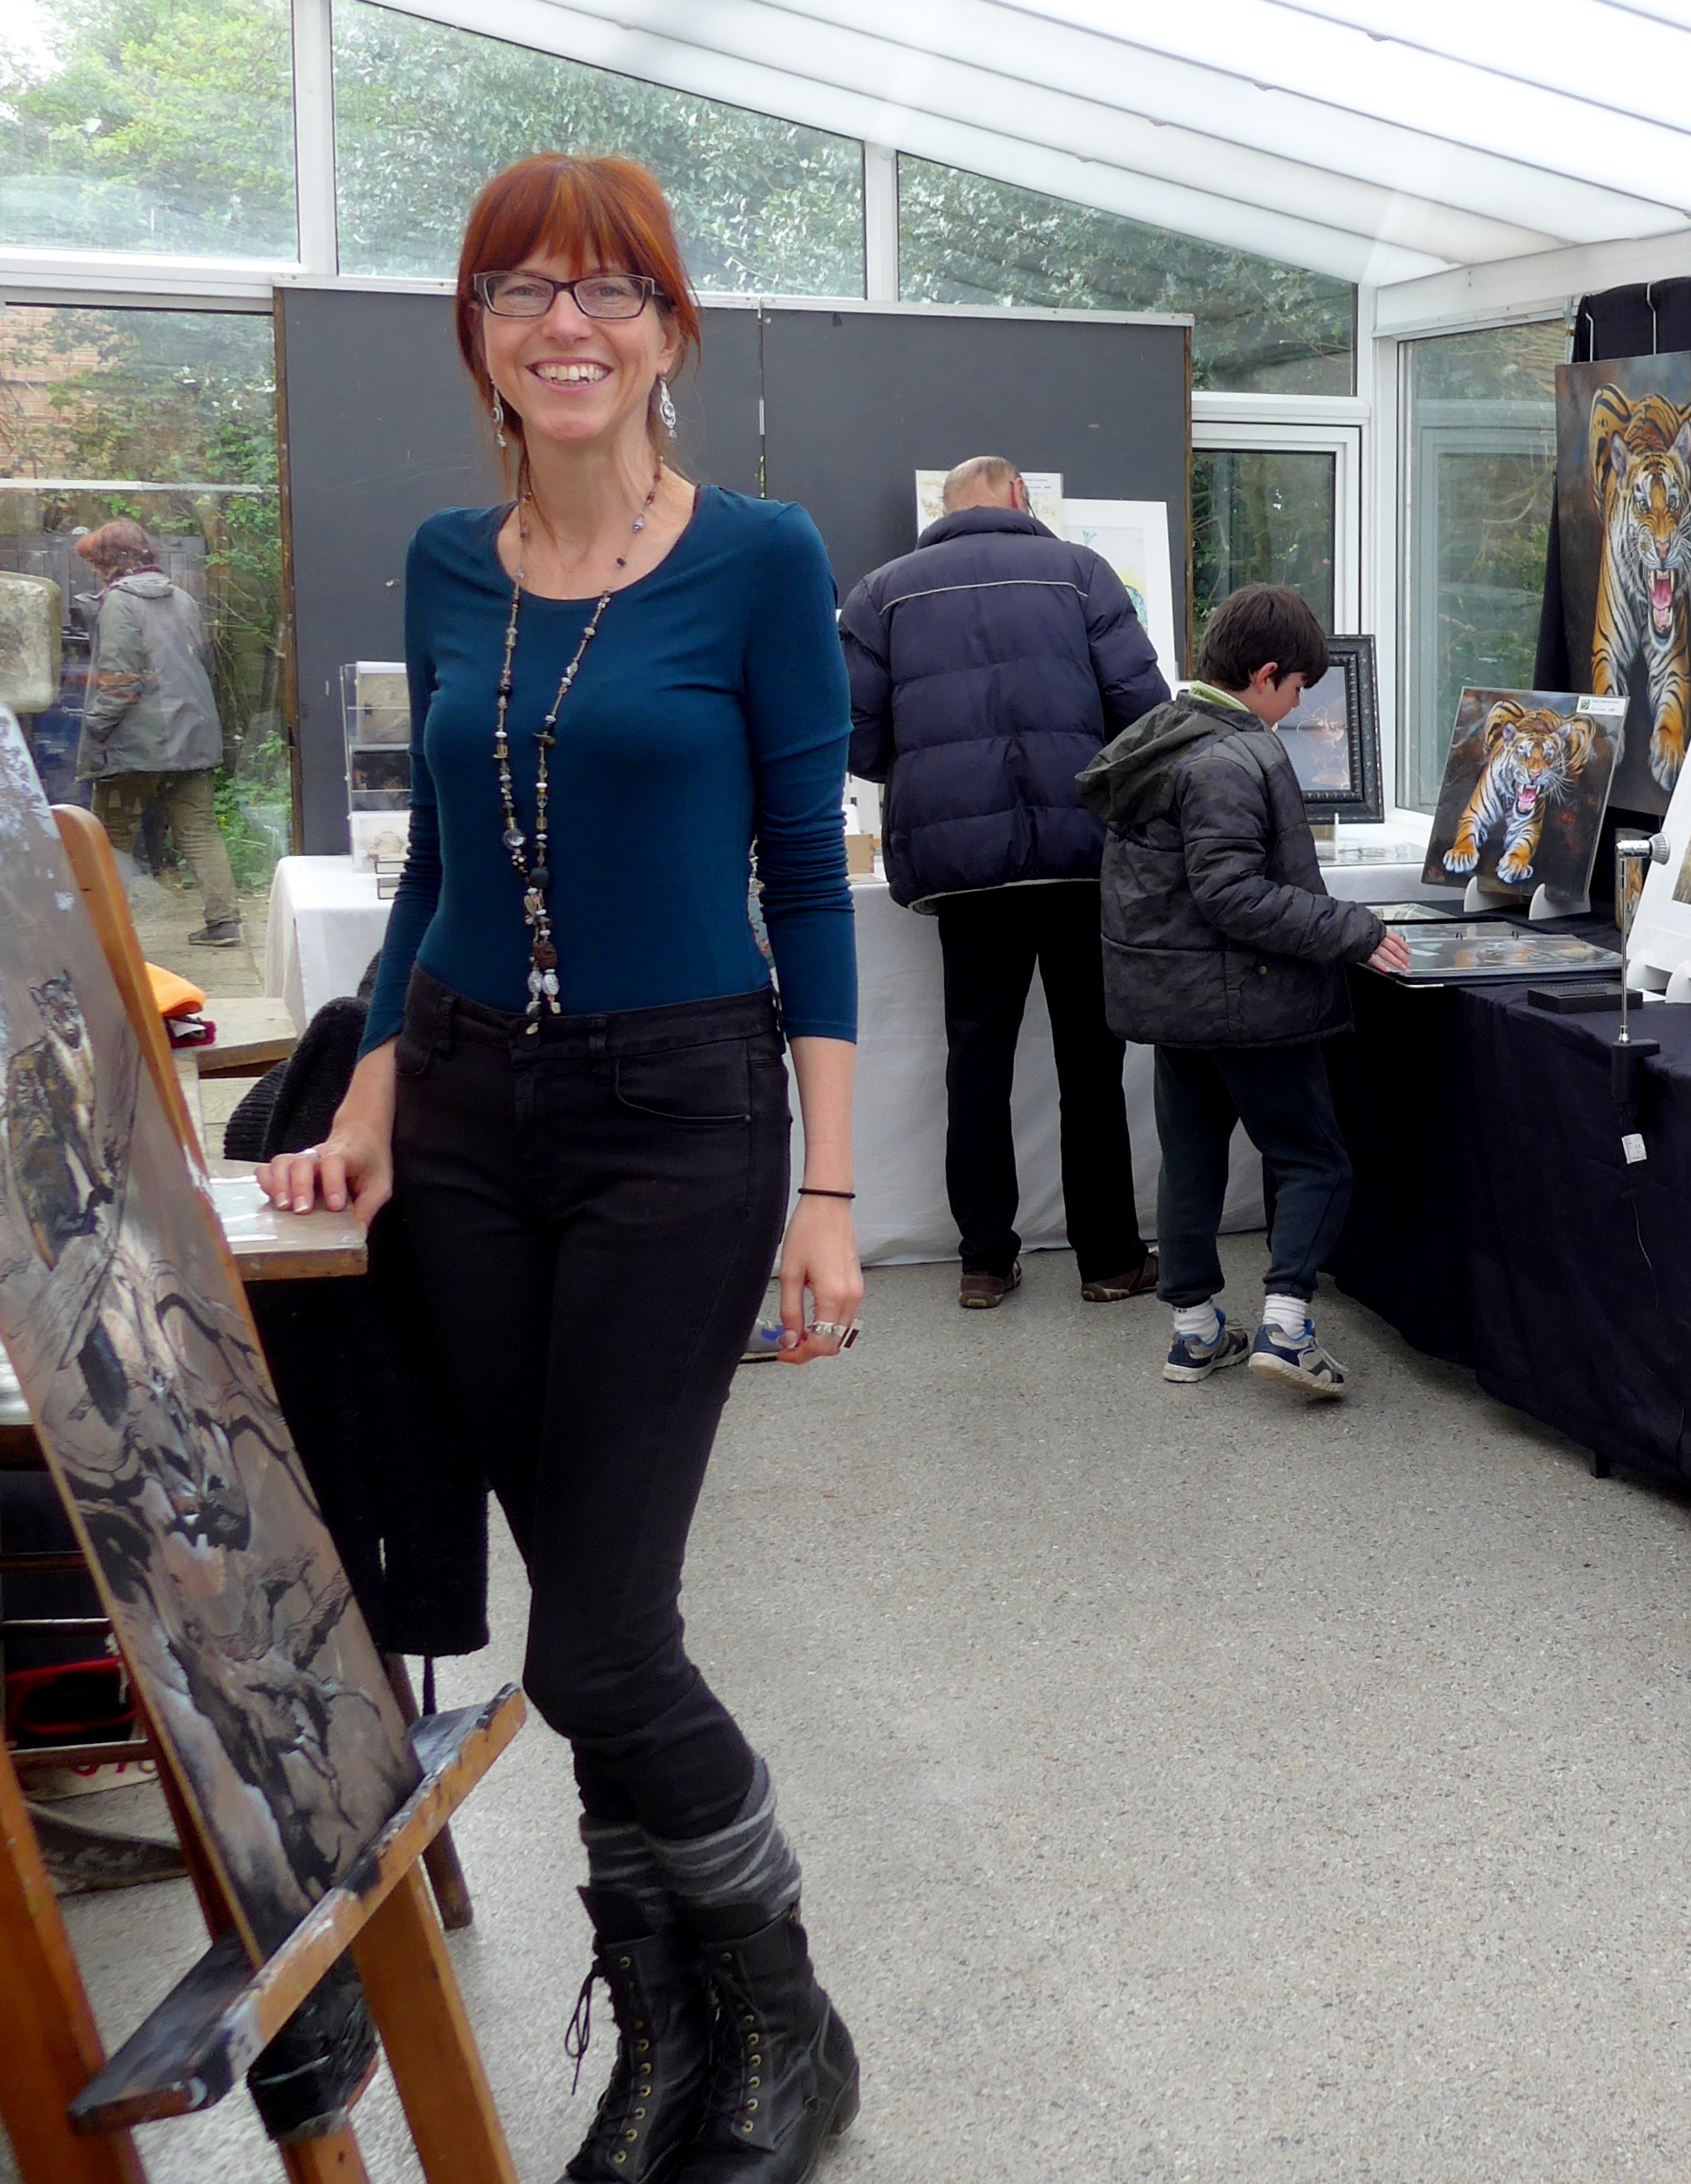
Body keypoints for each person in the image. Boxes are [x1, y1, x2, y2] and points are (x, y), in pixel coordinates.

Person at [256, 153, 864, 2184]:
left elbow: (808, 888)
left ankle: (782, 2013)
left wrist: (834, 1193)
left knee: (597, 1643)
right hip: (474, 1122)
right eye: (519, 292)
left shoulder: (759, 557)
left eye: (607, 290)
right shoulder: (448, 558)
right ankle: (671, 2036)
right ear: (481, 345)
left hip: (681, 1117)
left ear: (668, 332)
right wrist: (370, 1100)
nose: (564, 322)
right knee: (599, 1600)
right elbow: (437, 861)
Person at [839, 454, 1167, 1312]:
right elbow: (1144, 712)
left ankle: (984, 1261)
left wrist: (929, 772)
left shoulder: (883, 591)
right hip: (1076, 853)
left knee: (975, 1062)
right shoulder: (1081, 572)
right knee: (1089, 1064)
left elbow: (852, 732)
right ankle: (1107, 1260)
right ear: (1021, 496)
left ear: (943, 510)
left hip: (962, 871)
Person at [1077, 584, 1409, 1394]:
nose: (1297, 708)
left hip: (1175, 1003)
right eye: (1298, 690)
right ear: (1264, 675)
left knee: (1189, 1163)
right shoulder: (1234, 755)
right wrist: (1353, 931)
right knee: (1316, 1163)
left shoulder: (1158, 735)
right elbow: (1229, 893)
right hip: (1250, 1005)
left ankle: (1194, 1335)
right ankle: (1288, 1327)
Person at [74, 517, 242, 948]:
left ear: (108, 561)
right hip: (193, 736)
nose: (95, 570)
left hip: (137, 744)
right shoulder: (182, 598)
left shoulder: (118, 604)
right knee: (201, 831)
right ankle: (224, 923)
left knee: (112, 838)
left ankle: (110, 935)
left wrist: (93, 726)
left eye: (97, 561)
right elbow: (202, 665)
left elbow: (120, 678)